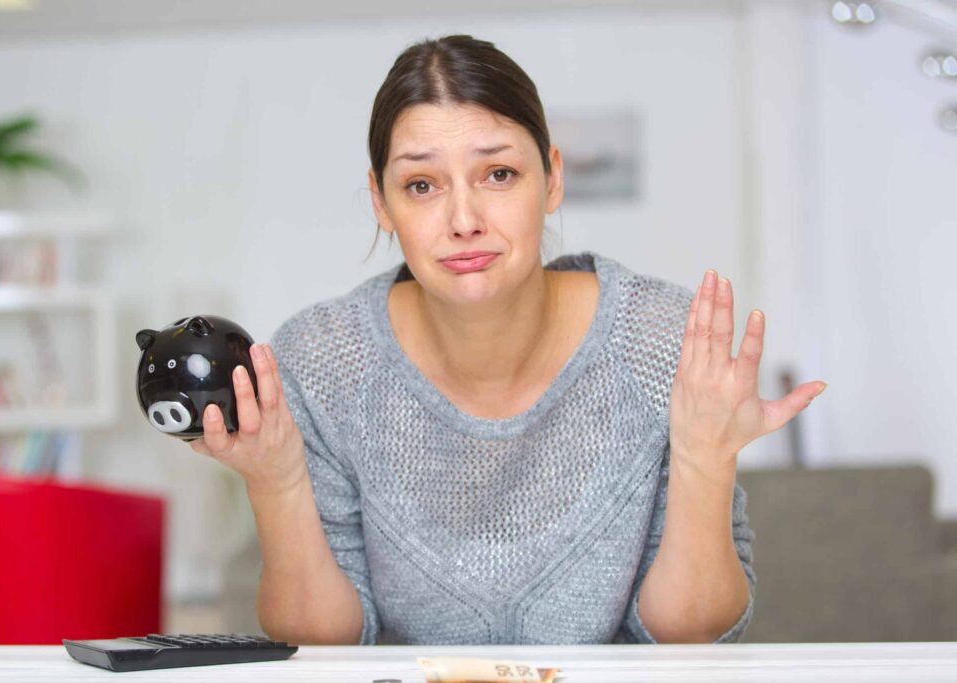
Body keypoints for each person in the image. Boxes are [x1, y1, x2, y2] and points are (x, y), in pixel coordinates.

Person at [189, 34, 827, 645]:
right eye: (421, 185)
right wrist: (275, 483)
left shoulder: (662, 339)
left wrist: (703, 459)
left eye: (498, 174)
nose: (464, 221)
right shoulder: (322, 360)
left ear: (551, 179)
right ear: (381, 204)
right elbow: (320, 641)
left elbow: (691, 631)